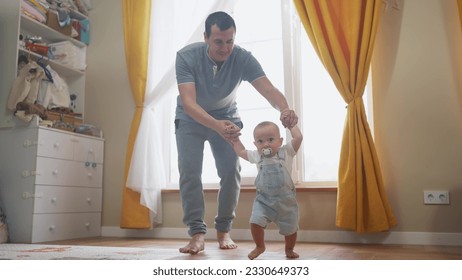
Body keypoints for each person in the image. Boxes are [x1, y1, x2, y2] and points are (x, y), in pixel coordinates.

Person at [174, 11, 298, 255]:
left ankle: (223, 230)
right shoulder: (186, 57)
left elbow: (269, 90)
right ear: (206, 38)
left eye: (230, 41)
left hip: (227, 117)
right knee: (190, 172)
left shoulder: (242, 58)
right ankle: (197, 234)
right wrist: (215, 124)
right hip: (190, 119)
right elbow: (189, 103)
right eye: (219, 41)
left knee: (231, 171)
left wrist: (285, 108)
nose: (225, 47)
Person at [231, 121, 303, 259]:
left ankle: (289, 249)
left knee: (290, 229)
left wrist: (291, 125)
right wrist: (235, 139)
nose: (265, 144)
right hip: (264, 200)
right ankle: (260, 246)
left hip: (285, 201)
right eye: (260, 141)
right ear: (255, 144)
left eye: (271, 140)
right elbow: (240, 151)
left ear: (280, 141)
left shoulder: (287, 151)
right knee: (255, 222)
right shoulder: (257, 156)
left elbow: (298, 138)